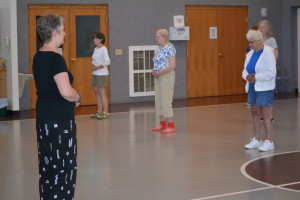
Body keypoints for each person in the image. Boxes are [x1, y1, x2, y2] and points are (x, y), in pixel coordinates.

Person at [33, 14, 81, 200]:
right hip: (59, 123)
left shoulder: (39, 56)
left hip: (44, 119)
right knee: (63, 170)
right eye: (64, 29)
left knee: (48, 168)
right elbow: (66, 92)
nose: (65, 33)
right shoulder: (55, 59)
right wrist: (78, 96)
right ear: (55, 32)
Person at [242, 29, 276, 152]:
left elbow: (272, 73)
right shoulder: (250, 54)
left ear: (259, 41)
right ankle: (257, 139)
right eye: (249, 42)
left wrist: (256, 76)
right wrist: (246, 76)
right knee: (255, 113)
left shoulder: (268, 52)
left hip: (264, 87)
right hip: (252, 87)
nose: (249, 45)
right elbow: (245, 70)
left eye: (252, 42)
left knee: (266, 115)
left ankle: (269, 141)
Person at [151, 29, 176, 134]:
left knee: (166, 100)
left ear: (164, 37)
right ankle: (162, 125)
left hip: (166, 76)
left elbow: (172, 66)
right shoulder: (159, 48)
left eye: (158, 37)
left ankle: (171, 125)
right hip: (158, 76)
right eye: (156, 36)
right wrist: (154, 71)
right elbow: (158, 62)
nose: (156, 38)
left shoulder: (170, 48)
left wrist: (159, 72)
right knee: (159, 100)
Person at [258, 20, 278, 123]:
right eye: (260, 27)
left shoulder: (271, 40)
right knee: (260, 93)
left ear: (267, 29)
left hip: (268, 70)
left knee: (269, 94)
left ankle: (269, 115)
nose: (261, 29)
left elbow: (276, 55)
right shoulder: (257, 40)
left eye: (263, 27)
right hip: (259, 71)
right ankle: (262, 115)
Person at [89, 32, 111, 119]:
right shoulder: (96, 49)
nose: (93, 40)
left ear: (100, 39)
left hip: (102, 74)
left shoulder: (104, 49)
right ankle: (99, 111)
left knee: (102, 92)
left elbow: (107, 61)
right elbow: (94, 59)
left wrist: (97, 67)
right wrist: (92, 65)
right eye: (93, 38)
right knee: (96, 91)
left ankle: (105, 112)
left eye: (95, 38)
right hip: (95, 73)